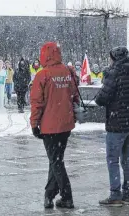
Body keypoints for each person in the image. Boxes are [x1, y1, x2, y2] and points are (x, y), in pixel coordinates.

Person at [31, 42, 79, 209]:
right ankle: (49, 195)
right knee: (56, 159)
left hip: (49, 125)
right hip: (65, 124)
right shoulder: (68, 71)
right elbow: (74, 96)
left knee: (56, 161)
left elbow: (37, 102)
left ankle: (67, 196)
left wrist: (34, 123)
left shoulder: (42, 74)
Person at [95, 46, 129, 207]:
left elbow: (102, 98)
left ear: (114, 58)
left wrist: (106, 78)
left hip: (116, 123)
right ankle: (127, 194)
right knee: (127, 160)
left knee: (112, 160)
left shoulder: (113, 73)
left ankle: (115, 195)